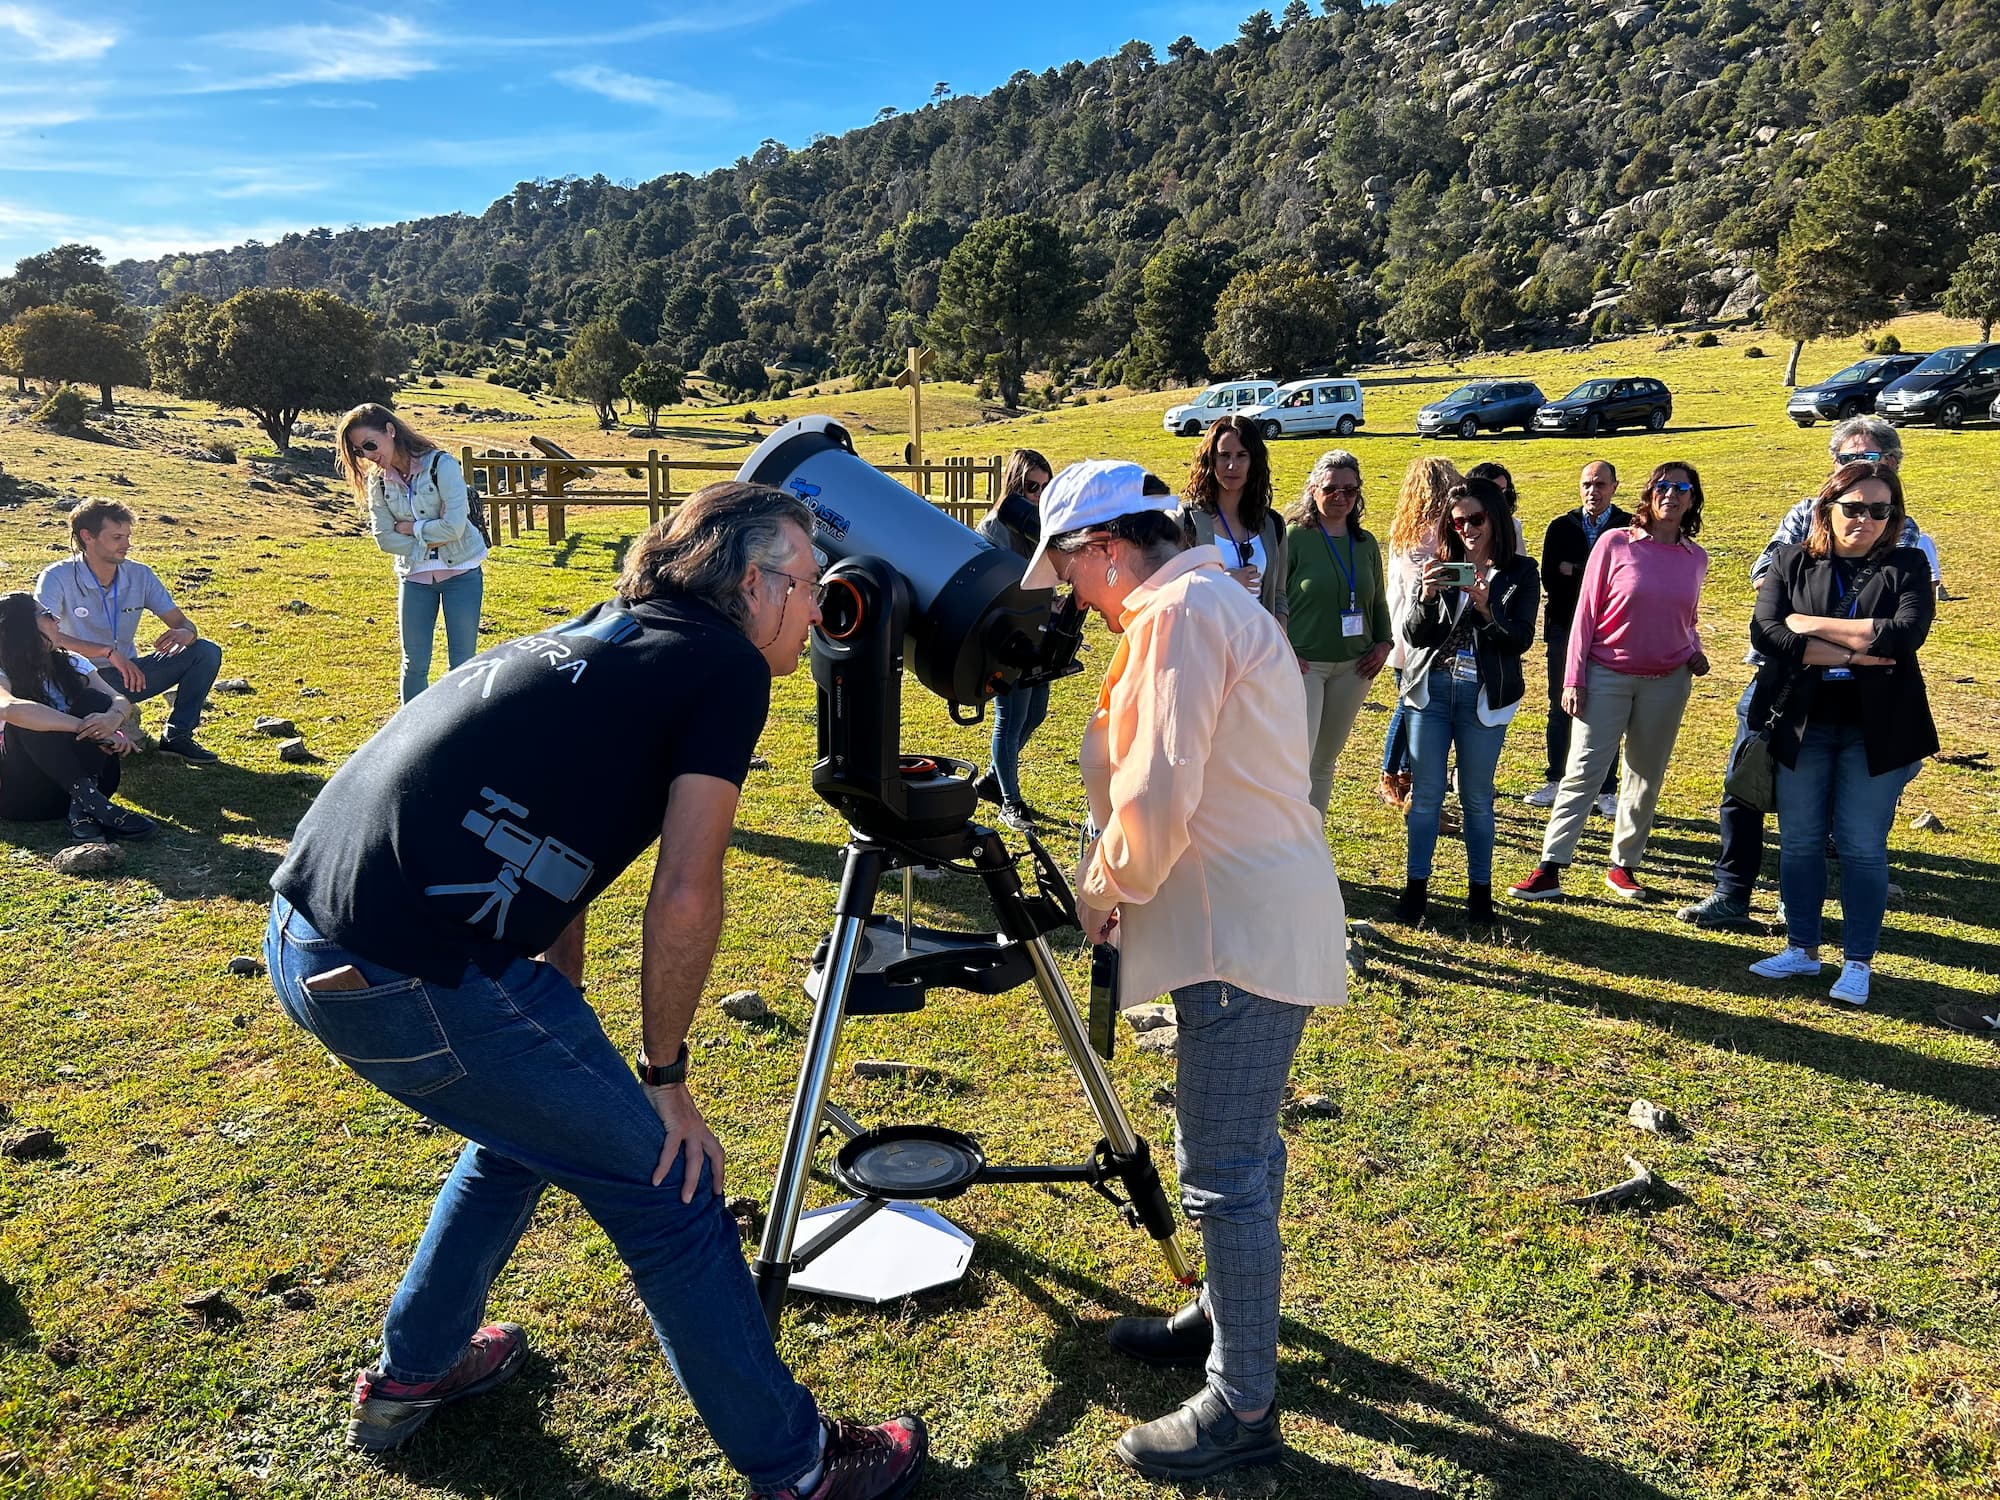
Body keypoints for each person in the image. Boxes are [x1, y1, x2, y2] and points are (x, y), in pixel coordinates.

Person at [263, 483, 925, 1500]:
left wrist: (555, 1001)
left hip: (309, 935)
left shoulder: (612, 632)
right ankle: (798, 1467)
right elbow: (686, 887)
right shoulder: (722, 667)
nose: (814, 604)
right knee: (672, 1194)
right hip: (408, 976)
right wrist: (665, 1077)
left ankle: (415, 1371)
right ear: (751, 585)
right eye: (803, 582)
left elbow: (550, 812)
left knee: (523, 1131)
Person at [1021, 459, 1346, 1483]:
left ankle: (1242, 1404)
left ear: (1106, 549)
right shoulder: (1203, 599)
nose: (1069, 591)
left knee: (1222, 1179)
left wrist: (1100, 887)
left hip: (1238, 936)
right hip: (1250, 922)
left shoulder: (1176, 616)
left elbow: (1159, 791)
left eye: (1067, 567)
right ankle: (1220, 1318)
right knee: (1244, 1153)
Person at [1677, 417, 1921, 928]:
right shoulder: (1801, 514)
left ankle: (1797, 903)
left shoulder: (1902, 527)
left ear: (1892, 465)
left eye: (1868, 460)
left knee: (1823, 810)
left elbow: (1902, 626)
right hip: (1782, 682)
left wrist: (1810, 622)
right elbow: (1767, 584)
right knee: (1745, 783)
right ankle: (1732, 893)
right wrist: (1850, 634)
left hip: (1859, 699)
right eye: (1845, 460)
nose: (1856, 472)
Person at [1745, 462, 1935, 1007]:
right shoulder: (1790, 560)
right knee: (1800, 841)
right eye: (1855, 508)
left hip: (1876, 729)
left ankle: (1857, 962)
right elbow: (1768, 631)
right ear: (1827, 507)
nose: (1867, 520)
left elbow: (1905, 634)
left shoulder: (1907, 564)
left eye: (1881, 510)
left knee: (1860, 846)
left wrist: (1810, 626)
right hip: (1804, 723)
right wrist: (1859, 651)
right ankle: (1803, 949)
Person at [1511, 462, 1710, 903]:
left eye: (1682, 488)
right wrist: (1573, 678)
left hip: (1668, 681)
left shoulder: (1696, 558)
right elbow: (1585, 614)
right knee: (1583, 770)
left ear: (1692, 499)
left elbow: (1688, 618)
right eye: (1663, 486)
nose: (1671, 495)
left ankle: (1624, 866)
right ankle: (1550, 866)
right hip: (1606, 674)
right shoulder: (1615, 542)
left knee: (1645, 775)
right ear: (1648, 493)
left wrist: (1693, 648)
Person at [1396, 477, 1539, 926]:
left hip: (1483, 695)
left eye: (1475, 519)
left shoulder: (1520, 573)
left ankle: (1480, 895)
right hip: (1431, 690)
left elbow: (1519, 640)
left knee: (1477, 797)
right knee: (1426, 797)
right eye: (1457, 523)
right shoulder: (1443, 564)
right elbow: (1416, 636)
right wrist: (1426, 595)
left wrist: (1484, 610)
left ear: (1495, 519)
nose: (1467, 530)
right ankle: (1415, 891)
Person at [36, 500, 223, 763]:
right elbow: (45, 638)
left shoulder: (140, 575)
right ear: (87, 537)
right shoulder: (57, 576)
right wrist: (107, 652)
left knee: (205, 651)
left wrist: (185, 634)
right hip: (77, 678)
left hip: (128, 674)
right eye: (116, 537)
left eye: (127, 536)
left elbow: (184, 624)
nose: (126, 544)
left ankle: (177, 737)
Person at [336, 404, 490, 704]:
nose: (367, 455)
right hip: (414, 577)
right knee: (414, 664)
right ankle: (413, 737)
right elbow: (384, 538)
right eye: (358, 451)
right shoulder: (377, 480)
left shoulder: (441, 465)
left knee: (462, 664)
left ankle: (461, 733)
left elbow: (456, 528)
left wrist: (413, 528)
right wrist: (432, 532)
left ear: (390, 431)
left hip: (462, 573)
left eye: (370, 444)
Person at [1282, 450, 1393, 814]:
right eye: (1332, 489)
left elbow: (1377, 599)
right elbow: (1274, 599)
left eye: (1350, 490)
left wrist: (1384, 643)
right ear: (1313, 489)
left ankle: (1313, 843)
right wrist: (1284, 648)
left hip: (1355, 668)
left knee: (1325, 762)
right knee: (1299, 760)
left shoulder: (1364, 543)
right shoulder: (1294, 538)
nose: (1341, 497)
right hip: (1305, 665)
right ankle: (1287, 844)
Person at [0, 593, 151, 841]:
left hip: (86, 789)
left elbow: (120, 700)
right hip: (24, 795)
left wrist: (112, 719)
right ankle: (94, 807)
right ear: (23, 627)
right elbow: (10, 708)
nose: (57, 619)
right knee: (27, 716)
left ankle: (84, 809)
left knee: (97, 702)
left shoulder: (70, 662)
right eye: (47, 615)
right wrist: (88, 728)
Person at [1527, 461, 1630, 812]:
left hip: (1611, 634)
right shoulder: (1561, 527)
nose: (1593, 491)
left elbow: (1625, 582)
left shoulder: (1628, 527)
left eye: (1600, 484)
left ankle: (1606, 788)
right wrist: (1591, 574)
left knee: (1608, 709)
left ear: (1614, 486)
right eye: (1587, 483)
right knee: (1560, 705)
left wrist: (1578, 570)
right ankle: (1556, 779)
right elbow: (1551, 579)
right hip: (1564, 628)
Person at [974, 446, 1054, 830]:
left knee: (1036, 712)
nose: (1036, 496)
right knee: (1010, 718)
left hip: (1038, 633)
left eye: (1043, 488)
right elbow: (1000, 585)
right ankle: (1011, 801)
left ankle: (992, 778)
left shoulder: (1038, 529)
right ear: (1014, 486)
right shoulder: (996, 528)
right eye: (1030, 487)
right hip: (1008, 636)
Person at [1377, 456, 1463, 810]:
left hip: (1429, 632)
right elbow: (1419, 585)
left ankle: (1410, 776)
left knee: (1421, 707)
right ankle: (1391, 773)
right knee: (1408, 706)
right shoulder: (1418, 534)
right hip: (1414, 634)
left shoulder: (1416, 527)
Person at [1175, 414, 1289, 626]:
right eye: (1224, 455)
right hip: (1205, 651)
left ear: (1254, 461)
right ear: (1211, 460)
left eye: (1241, 455)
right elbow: (1166, 594)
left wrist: (1279, 630)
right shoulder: (1185, 521)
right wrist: (1223, 584)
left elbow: (1279, 594)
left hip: (1257, 652)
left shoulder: (1272, 525)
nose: (1232, 465)